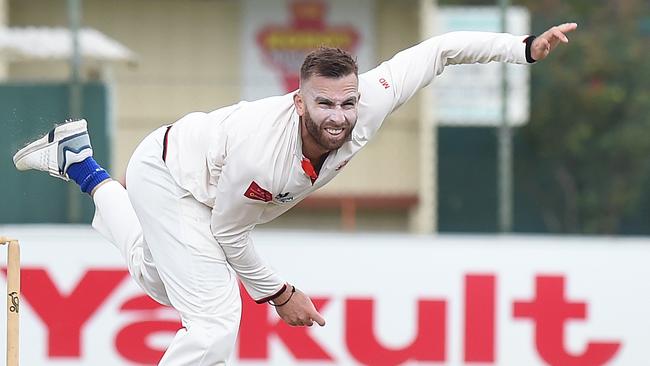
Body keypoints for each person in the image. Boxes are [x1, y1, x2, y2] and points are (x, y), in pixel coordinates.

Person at [13, 22, 577, 365]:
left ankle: (80, 164)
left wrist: (521, 47)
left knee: (156, 277)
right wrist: (281, 295)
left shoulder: (369, 102)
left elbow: (437, 51)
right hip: (173, 179)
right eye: (324, 104)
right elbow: (229, 232)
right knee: (213, 325)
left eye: (347, 102)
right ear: (298, 101)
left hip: (191, 176)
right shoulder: (268, 155)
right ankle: (82, 166)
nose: (339, 117)